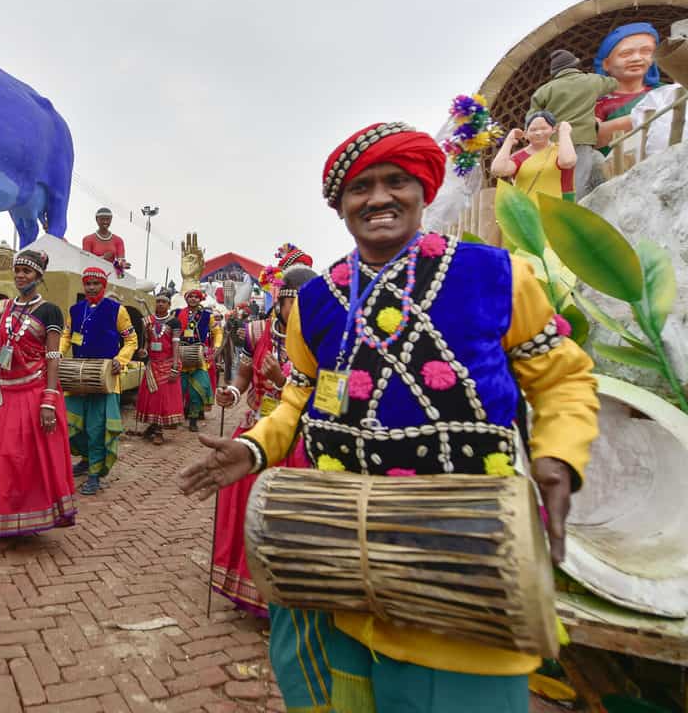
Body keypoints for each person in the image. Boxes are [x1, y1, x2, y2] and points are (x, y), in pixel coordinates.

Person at [179, 122, 599, 713]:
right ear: (341, 206)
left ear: (423, 191)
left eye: (395, 181)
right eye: (360, 188)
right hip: (332, 562)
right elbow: (302, 396)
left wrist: (558, 456)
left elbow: (562, 378)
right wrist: (254, 447)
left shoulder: (496, 276)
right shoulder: (320, 300)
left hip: (459, 562)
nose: (378, 198)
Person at [210, 249, 315, 618]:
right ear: (280, 301)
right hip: (254, 429)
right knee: (241, 507)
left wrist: (281, 380)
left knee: (280, 518)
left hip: (293, 437)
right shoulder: (257, 332)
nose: (297, 311)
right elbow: (241, 372)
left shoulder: (319, 341)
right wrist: (232, 392)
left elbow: (319, 395)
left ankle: (279, 601)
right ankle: (243, 586)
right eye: (292, 303)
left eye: (305, 303)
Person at [0, 249, 77, 542]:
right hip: (6, 392)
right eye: (19, 270)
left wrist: (49, 398)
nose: (21, 276)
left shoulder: (50, 311)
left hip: (34, 392)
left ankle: (17, 524)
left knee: (22, 460)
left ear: (39, 276)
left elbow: (52, 357)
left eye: (28, 271)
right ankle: (0, 521)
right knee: (0, 459)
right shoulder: (3, 309)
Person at [60, 266, 137, 495]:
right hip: (77, 375)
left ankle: (94, 473)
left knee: (97, 427)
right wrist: (57, 354)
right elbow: (66, 336)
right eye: (88, 284)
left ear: (103, 286)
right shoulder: (75, 310)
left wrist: (120, 360)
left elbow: (131, 340)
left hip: (105, 377)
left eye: (96, 284)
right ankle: (85, 459)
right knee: (74, 424)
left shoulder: (117, 310)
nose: (91, 287)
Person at [527, 49, 615, 197]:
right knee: (578, 181)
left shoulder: (544, 91)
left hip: (554, 144)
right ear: (575, 64)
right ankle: (573, 212)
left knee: (557, 180)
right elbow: (614, 83)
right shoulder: (591, 81)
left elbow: (531, 120)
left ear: (555, 71)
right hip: (582, 140)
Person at [595, 23, 662, 155]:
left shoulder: (666, 92)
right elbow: (591, 137)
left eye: (646, 51)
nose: (637, 58)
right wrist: (640, 119)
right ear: (606, 64)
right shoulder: (597, 102)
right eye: (626, 53)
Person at [490, 112, 577, 202]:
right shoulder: (519, 157)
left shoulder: (561, 151)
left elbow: (567, 161)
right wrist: (509, 140)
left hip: (559, 208)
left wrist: (564, 132)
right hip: (527, 210)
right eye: (533, 130)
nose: (538, 133)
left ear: (553, 130)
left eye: (544, 128)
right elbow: (497, 170)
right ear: (526, 134)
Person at [134, 288, 183, 445]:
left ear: (169, 304)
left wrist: (175, 365)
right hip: (152, 364)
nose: (160, 304)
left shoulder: (174, 322)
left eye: (163, 302)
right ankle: (153, 426)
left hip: (167, 363)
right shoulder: (148, 321)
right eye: (158, 301)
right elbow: (147, 341)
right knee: (151, 397)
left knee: (163, 398)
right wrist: (143, 350)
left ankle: (159, 431)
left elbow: (176, 345)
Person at [177, 288, 222, 432]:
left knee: (198, 389)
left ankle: (193, 420)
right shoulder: (178, 314)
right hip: (180, 355)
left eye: (196, 297)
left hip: (199, 356)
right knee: (178, 389)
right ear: (186, 299)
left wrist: (215, 347)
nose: (193, 299)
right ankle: (175, 416)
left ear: (200, 299)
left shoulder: (207, 315)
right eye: (190, 297)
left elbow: (217, 332)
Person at [81, 207, 130, 277]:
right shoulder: (88, 239)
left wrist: (122, 264)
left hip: (112, 277)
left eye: (108, 219)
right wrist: (103, 258)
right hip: (93, 278)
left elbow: (121, 260)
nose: (105, 222)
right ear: (96, 219)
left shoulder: (118, 240)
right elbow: (86, 261)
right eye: (102, 219)